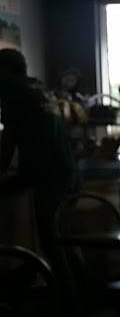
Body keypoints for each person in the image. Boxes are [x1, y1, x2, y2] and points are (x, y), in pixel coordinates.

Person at [0, 48, 78, 265]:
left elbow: (9, 135)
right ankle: (79, 284)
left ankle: (66, 287)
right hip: (64, 168)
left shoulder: (11, 88)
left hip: (45, 172)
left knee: (52, 241)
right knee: (61, 240)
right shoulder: (38, 86)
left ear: (5, 71)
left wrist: (1, 168)